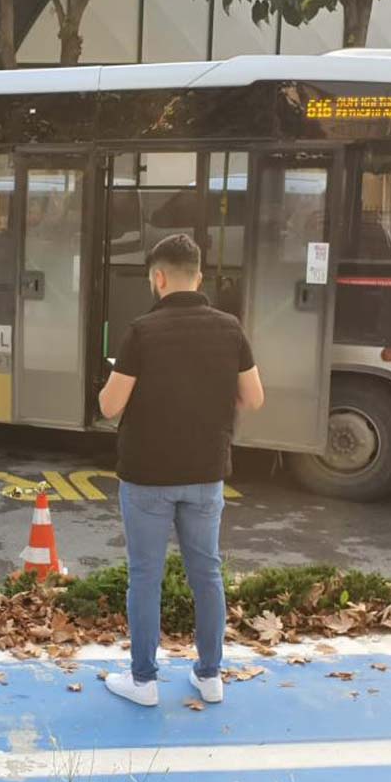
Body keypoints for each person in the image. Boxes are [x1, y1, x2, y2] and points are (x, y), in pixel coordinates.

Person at [99, 233, 265, 708]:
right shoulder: (229, 328)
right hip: (205, 473)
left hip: (147, 477)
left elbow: (110, 407)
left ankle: (144, 681)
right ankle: (210, 675)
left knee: (145, 577)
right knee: (206, 573)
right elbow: (253, 398)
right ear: (199, 275)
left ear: (158, 277)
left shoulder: (141, 331)